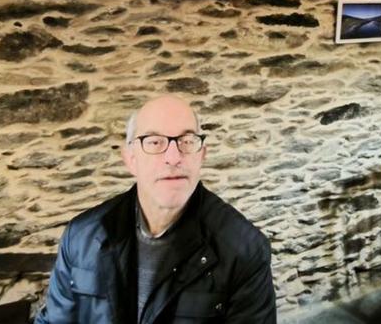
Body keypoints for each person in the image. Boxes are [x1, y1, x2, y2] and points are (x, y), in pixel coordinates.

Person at [35, 95, 276, 324]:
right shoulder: (81, 236)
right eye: (154, 142)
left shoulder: (244, 251)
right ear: (130, 158)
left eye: (187, 141)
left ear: (202, 155)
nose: (173, 157)